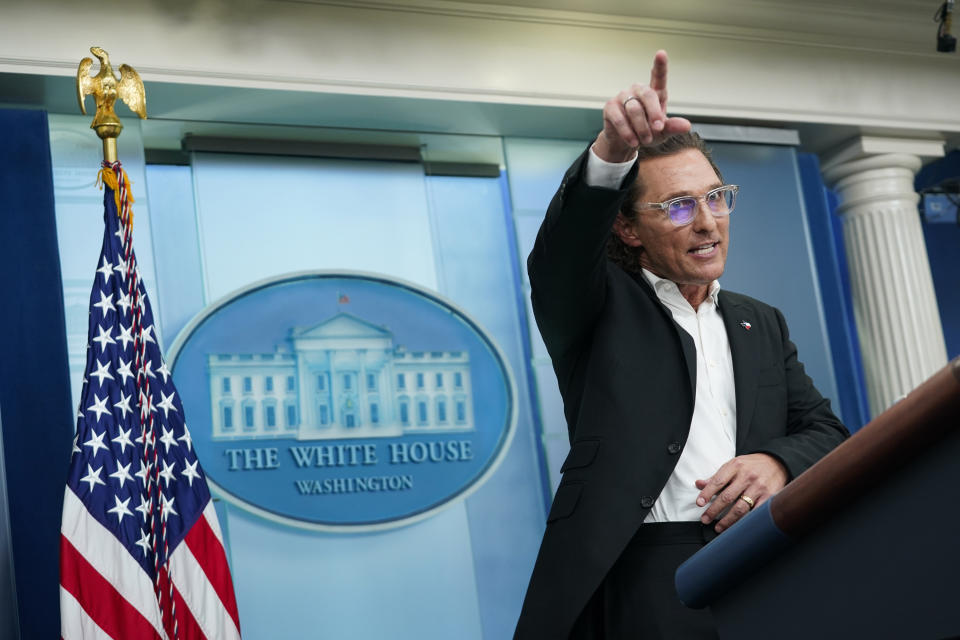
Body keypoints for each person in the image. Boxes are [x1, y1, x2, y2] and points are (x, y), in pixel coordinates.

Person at [514, 50, 849, 639]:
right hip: (643, 572)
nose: (707, 222)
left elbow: (824, 432)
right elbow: (561, 258)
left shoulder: (759, 321)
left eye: (716, 197)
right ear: (626, 227)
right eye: (677, 206)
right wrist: (610, 157)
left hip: (761, 558)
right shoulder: (595, 308)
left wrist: (775, 463)